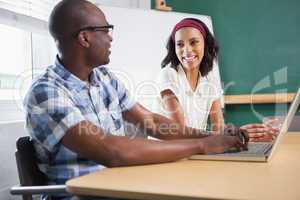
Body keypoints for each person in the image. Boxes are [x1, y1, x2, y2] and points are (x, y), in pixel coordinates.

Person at [23, 1, 247, 199]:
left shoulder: (105, 79)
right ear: (84, 37)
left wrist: (214, 137)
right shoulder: (47, 92)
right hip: (82, 195)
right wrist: (202, 145)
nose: (111, 37)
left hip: (121, 186)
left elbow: (151, 121)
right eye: (106, 30)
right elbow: (112, 151)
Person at [157, 18, 278, 141]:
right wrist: (236, 135)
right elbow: (181, 134)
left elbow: (218, 129)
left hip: (193, 152)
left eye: (193, 42)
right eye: (180, 44)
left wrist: (245, 136)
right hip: (167, 153)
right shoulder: (168, 75)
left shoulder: (210, 79)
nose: (187, 50)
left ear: (205, 44)